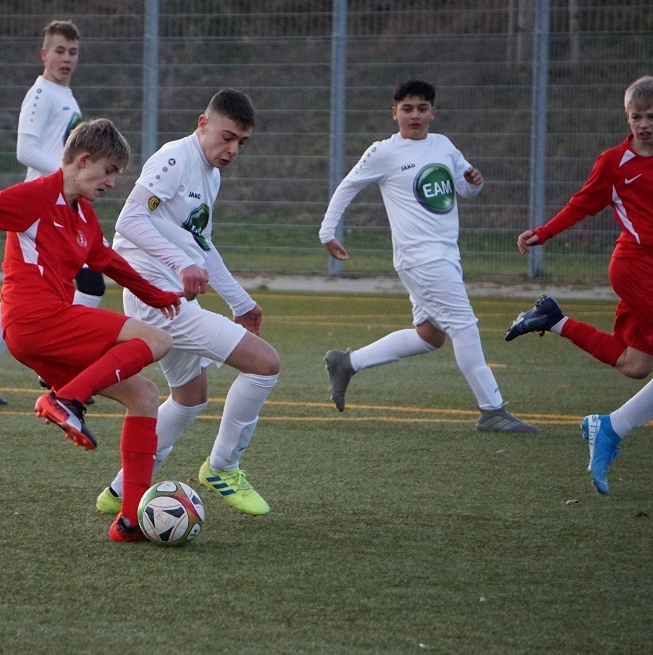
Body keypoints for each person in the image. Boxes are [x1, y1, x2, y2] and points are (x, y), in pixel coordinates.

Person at [0, 118, 183, 541]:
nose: (112, 183)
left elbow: (107, 262)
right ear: (83, 160)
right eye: (109, 171)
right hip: (34, 318)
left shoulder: (84, 216)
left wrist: (158, 295)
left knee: (145, 396)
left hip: (42, 334)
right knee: (157, 339)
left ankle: (129, 521)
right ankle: (66, 398)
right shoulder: (36, 197)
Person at [94, 88, 281, 517]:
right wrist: (181, 263)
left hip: (171, 298)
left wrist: (241, 302)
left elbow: (202, 245)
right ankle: (223, 467)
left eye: (241, 142)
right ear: (203, 123)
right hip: (156, 301)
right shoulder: (174, 159)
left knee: (190, 397)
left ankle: (122, 490)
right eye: (227, 137)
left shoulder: (210, 174)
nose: (232, 150)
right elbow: (129, 219)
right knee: (265, 363)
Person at [319, 79, 537, 432]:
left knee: (429, 335)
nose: (415, 116)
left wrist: (474, 182)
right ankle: (492, 410)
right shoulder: (384, 152)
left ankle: (347, 363)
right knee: (464, 326)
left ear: (433, 112)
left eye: (422, 109)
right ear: (394, 113)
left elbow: (463, 189)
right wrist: (327, 232)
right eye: (407, 109)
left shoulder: (443, 145)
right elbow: (348, 186)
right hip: (421, 259)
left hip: (445, 254)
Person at [505, 75, 653, 493]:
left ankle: (553, 320)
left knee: (636, 364)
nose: (644, 125)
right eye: (637, 117)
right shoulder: (614, 162)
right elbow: (582, 204)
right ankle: (611, 429)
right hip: (634, 266)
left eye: (652, 117)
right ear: (627, 118)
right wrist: (543, 233)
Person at [0, 20, 105, 407]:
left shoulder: (65, 95)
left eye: (73, 52)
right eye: (59, 50)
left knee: (46, 289)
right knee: (90, 281)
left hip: (60, 205)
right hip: (39, 207)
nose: (66, 58)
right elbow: (25, 151)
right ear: (44, 54)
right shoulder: (40, 95)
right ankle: (58, 367)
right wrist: (67, 177)